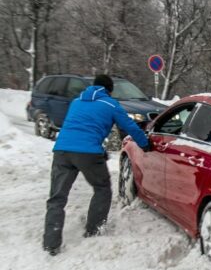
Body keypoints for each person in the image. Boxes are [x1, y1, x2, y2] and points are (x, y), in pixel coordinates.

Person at [42, 74, 151, 255]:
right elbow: (130, 127)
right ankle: (94, 230)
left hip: (62, 150)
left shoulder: (77, 101)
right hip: (88, 153)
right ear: (109, 90)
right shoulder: (110, 104)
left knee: (57, 197)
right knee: (102, 188)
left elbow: (77, 127)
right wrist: (145, 144)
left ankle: (51, 243)